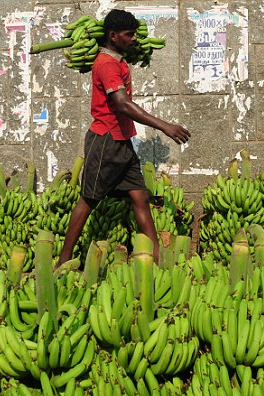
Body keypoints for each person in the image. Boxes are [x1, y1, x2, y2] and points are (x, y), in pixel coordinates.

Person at [56, 9, 191, 268]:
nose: (133, 39)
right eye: (128, 35)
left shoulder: (117, 61)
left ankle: (157, 257)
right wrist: (164, 126)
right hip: (106, 140)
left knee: (140, 197)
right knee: (88, 200)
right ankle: (64, 259)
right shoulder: (106, 65)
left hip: (122, 140)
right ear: (113, 35)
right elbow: (122, 104)